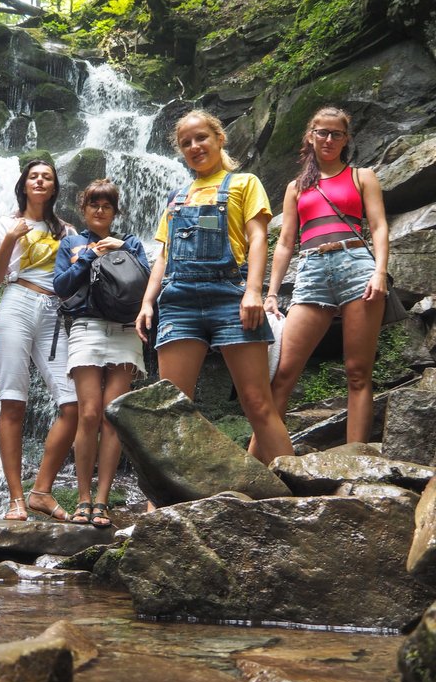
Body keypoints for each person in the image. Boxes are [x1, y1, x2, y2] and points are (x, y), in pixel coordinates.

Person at [135, 110, 294, 465]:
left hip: (231, 297)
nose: (194, 146)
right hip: (178, 302)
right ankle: (159, 506)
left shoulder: (244, 183)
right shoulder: (176, 199)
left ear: (220, 138)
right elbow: (162, 255)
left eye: (201, 137)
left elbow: (257, 238)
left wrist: (254, 291)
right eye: (186, 142)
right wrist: (147, 302)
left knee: (257, 402)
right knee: (171, 407)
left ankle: (300, 488)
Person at [254, 106, 388, 453]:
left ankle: (354, 463)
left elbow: (378, 227)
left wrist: (380, 272)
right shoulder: (296, 187)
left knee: (358, 373)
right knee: (282, 375)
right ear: (310, 136)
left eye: (336, 134)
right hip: (312, 270)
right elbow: (284, 242)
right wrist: (271, 293)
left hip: (357, 266)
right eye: (322, 132)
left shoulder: (362, 176)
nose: (328, 139)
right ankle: (258, 466)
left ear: (346, 139)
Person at [0, 159, 78, 521]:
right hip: (16, 303)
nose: (40, 181)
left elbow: (74, 279)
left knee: (71, 404)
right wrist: (10, 240)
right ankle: (16, 499)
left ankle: (41, 491)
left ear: (54, 188)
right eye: (34, 176)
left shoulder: (66, 230)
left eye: (48, 178)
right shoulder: (5, 223)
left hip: (55, 312)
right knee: (13, 402)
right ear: (24, 184)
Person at [54, 179, 149, 528]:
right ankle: (82, 499)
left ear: (115, 211)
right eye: (93, 204)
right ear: (83, 209)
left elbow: (147, 282)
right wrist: (89, 257)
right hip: (86, 328)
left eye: (106, 205)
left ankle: (103, 502)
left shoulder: (132, 243)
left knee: (112, 417)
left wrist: (122, 249)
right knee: (89, 413)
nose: (99, 210)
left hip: (125, 332)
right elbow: (60, 287)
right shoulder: (71, 243)